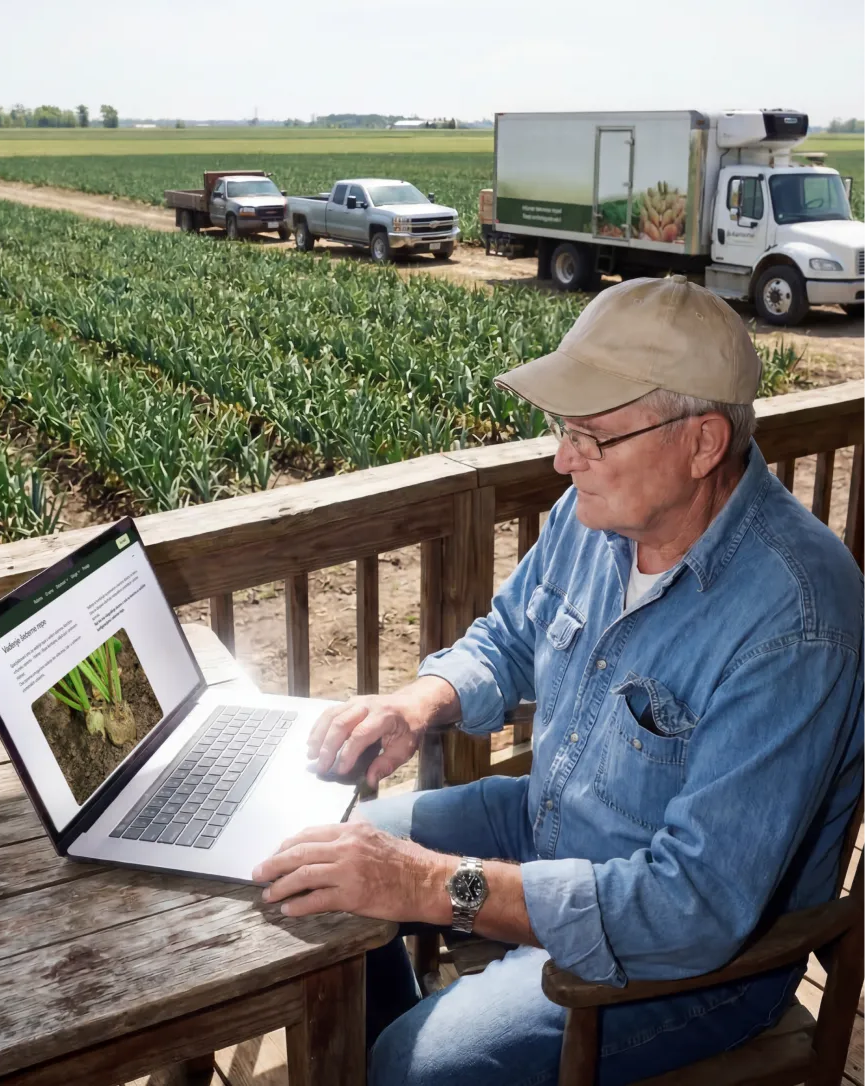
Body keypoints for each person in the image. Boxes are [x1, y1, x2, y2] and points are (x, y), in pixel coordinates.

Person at [252, 275, 865, 1086]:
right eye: (560, 429)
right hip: (547, 821)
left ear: (702, 442)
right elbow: (509, 637)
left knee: (410, 1064)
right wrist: (416, 704)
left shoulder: (796, 618)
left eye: (590, 436)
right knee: (308, 856)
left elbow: (695, 907)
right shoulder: (599, 517)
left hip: (696, 961)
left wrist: (435, 887)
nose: (560, 458)